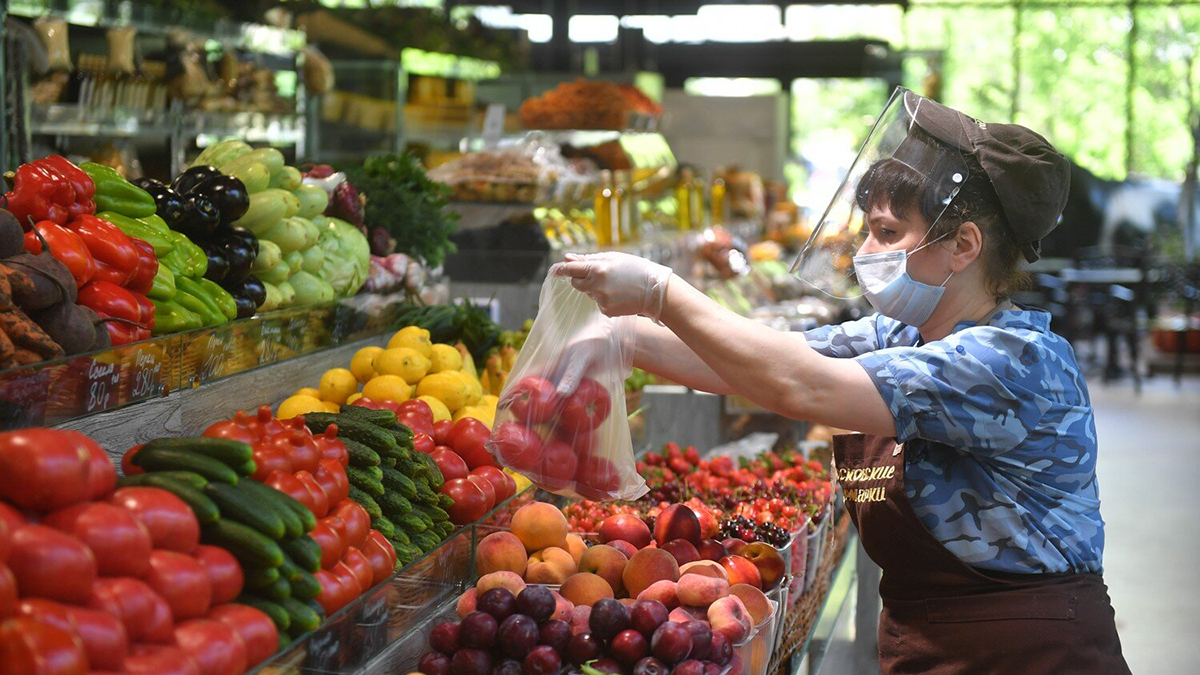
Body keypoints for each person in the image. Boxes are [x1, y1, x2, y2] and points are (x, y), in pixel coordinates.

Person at [554, 89, 1130, 675]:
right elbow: (757, 360)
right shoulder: (900, 335)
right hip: (931, 639)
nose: (865, 251)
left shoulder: (1009, 361)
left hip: (1027, 649)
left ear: (963, 246)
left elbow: (800, 386)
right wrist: (622, 337)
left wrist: (661, 292)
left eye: (887, 233)